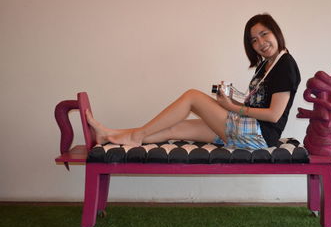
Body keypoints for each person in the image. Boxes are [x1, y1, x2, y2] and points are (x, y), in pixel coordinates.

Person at [87, 13, 301, 149]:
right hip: (248, 128)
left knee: (192, 96)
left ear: (276, 33)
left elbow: (273, 115)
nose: (261, 43)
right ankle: (109, 135)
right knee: (175, 128)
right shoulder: (266, 65)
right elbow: (253, 105)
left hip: (260, 136)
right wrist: (229, 104)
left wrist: (232, 109)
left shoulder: (285, 64)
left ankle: (136, 136)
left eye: (264, 34)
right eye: (254, 40)